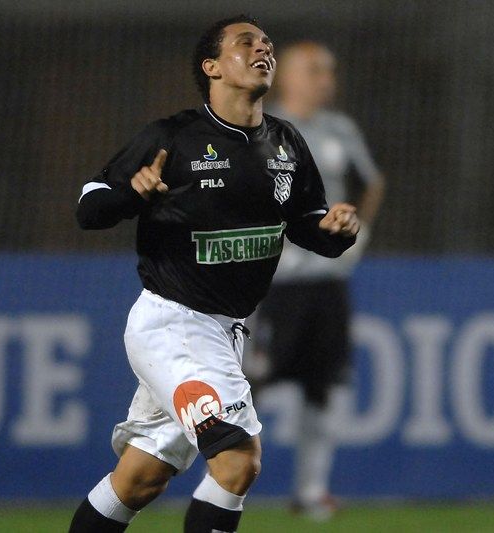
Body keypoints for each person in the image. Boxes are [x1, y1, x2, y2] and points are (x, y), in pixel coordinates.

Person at [69, 15, 360, 533]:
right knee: (238, 459)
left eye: (267, 43)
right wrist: (132, 195)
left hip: (226, 333)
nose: (262, 49)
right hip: (176, 325)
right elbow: (89, 208)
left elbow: (306, 225)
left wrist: (334, 230)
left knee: (139, 480)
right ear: (212, 67)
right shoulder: (172, 138)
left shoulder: (286, 143)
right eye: (245, 42)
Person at [251, 41, 385, 519]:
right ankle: (221, 483)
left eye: (329, 70)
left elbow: (373, 181)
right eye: (314, 70)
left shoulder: (339, 129)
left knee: (323, 385)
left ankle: (310, 492)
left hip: (328, 280)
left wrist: (358, 238)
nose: (325, 79)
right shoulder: (263, 130)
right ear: (285, 77)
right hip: (276, 283)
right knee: (251, 383)